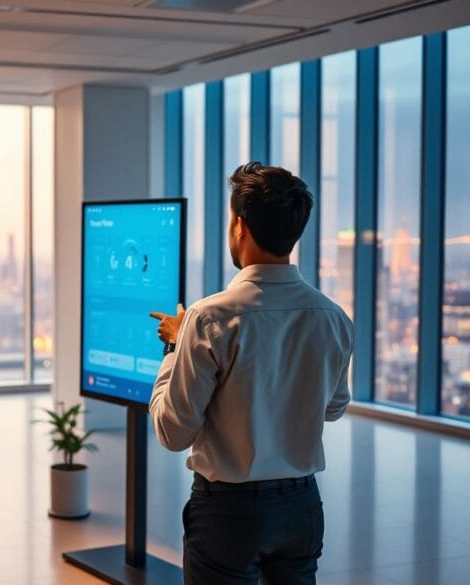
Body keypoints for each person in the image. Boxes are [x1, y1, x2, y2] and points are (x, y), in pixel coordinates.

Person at [149, 162, 353, 585]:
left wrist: (175, 345)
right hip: (302, 508)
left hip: (228, 514)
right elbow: (333, 408)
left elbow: (173, 433)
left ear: (239, 227)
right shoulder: (332, 317)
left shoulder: (208, 318)